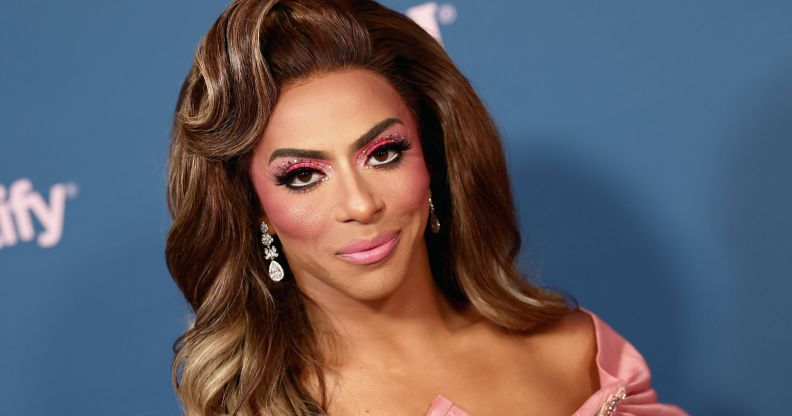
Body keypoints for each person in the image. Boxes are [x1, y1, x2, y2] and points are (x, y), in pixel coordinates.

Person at [165, 0, 687, 415]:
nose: (361, 203)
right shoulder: (261, 411)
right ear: (255, 207)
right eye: (303, 176)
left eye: (383, 154)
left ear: (431, 157)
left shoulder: (579, 353)